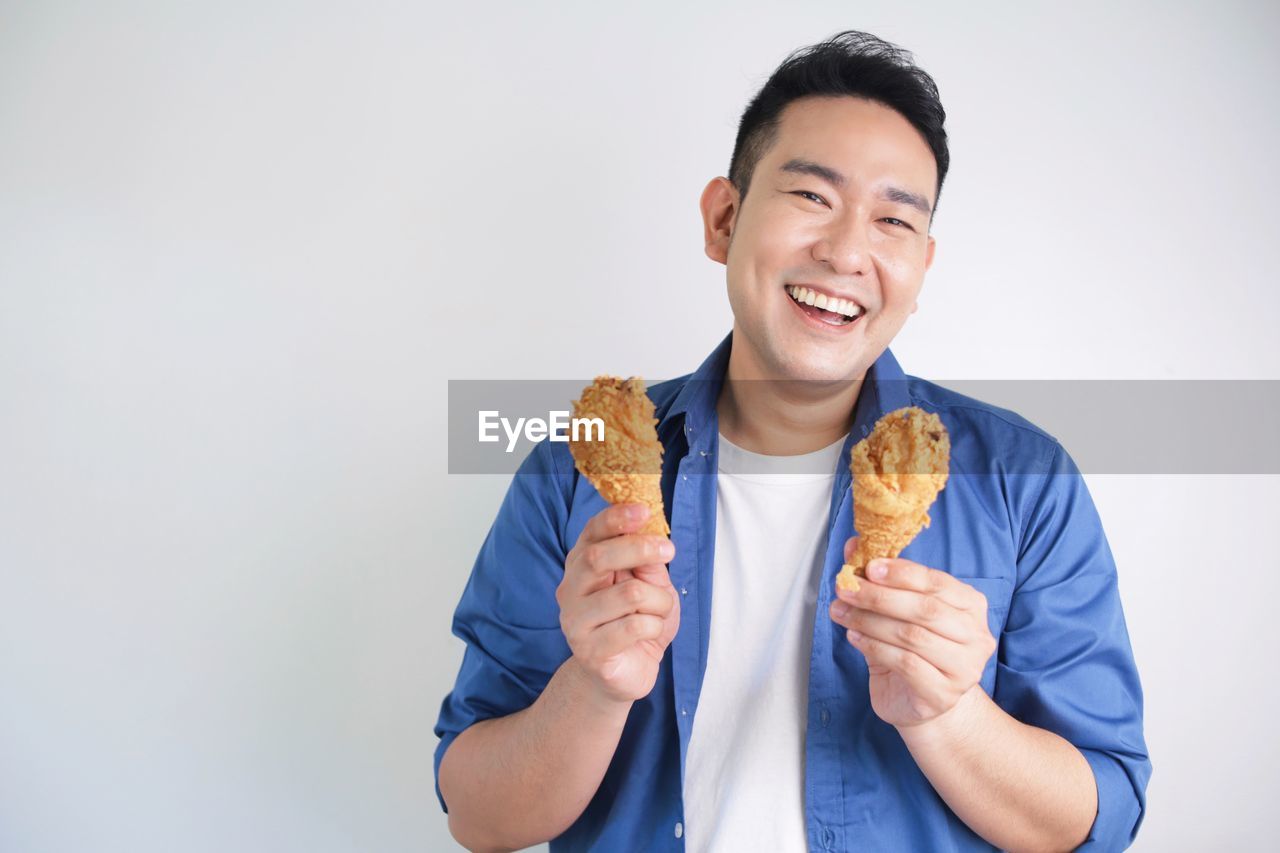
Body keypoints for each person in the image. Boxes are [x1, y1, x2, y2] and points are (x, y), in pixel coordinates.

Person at [433, 29, 1151, 852]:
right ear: (723, 219)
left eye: (893, 220)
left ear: (922, 267)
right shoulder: (570, 469)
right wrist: (593, 689)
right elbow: (477, 815)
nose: (847, 251)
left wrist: (952, 716)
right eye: (813, 196)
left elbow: (1100, 815)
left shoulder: (1025, 479)